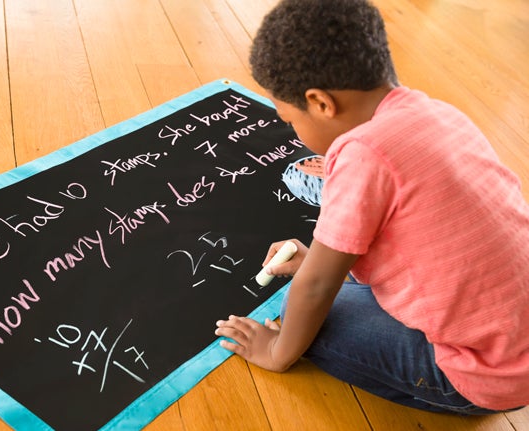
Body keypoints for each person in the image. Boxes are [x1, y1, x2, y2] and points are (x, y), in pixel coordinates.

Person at [215, 0, 529, 414]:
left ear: (321, 103)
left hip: (487, 376)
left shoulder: (361, 152)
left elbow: (315, 286)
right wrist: (319, 262)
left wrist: (276, 350)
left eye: (290, 119)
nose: (293, 129)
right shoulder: (438, 112)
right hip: (514, 333)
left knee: (299, 313)